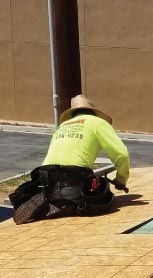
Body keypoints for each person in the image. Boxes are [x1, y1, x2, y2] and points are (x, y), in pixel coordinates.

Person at [10, 94, 131, 224]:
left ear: (73, 113)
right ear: (93, 111)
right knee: (105, 195)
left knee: (67, 185)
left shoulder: (62, 126)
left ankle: (53, 202)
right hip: (75, 182)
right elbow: (122, 154)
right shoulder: (98, 123)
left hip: (47, 183)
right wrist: (121, 180)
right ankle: (75, 205)